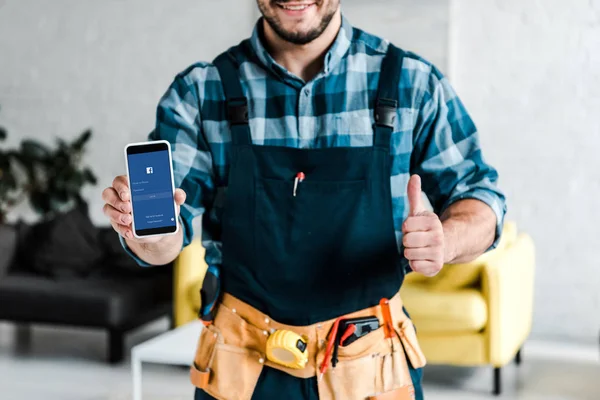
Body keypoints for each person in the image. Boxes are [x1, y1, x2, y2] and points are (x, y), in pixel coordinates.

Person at [102, 1, 506, 399]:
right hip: (241, 370)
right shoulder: (199, 92)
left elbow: (480, 197)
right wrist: (147, 232)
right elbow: (165, 241)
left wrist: (447, 241)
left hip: (372, 372)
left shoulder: (413, 84)